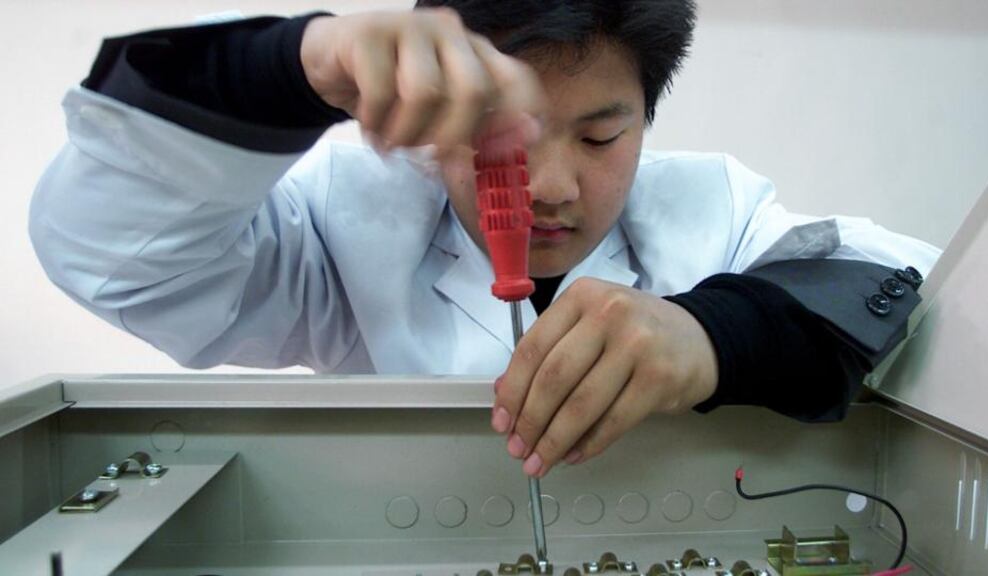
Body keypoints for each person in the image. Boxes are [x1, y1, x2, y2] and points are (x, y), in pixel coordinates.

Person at [29, 1, 938, 480]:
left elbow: (927, 292)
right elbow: (113, 254)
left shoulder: (718, 210)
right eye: (504, 131)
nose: (545, 187)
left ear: (647, 118)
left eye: (597, 136)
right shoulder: (347, 218)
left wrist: (718, 336)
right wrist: (287, 66)